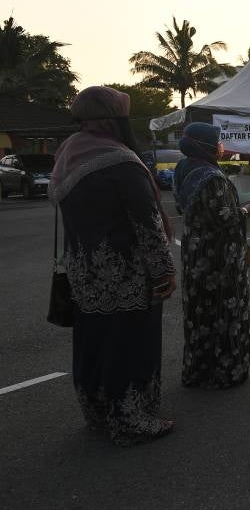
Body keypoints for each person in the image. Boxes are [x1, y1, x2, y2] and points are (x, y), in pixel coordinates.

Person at [48, 86, 176, 446]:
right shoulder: (119, 161)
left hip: (84, 271)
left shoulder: (68, 153)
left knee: (94, 340)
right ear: (113, 118)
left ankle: (99, 413)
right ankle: (131, 420)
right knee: (131, 341)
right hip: (127, 272)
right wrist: (165, 270)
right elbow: (147, 222)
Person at [173, 123, 250, 388]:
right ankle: (224, 371)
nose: (221, 146)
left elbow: (184, 206)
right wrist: (246, 211)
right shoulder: (212, 176)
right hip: (220, 257)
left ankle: (198, 370)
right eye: (218, 142)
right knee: (223, 311)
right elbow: (224, 216)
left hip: (195, 251)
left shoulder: (183, 168)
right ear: (206, 145)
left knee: (200, 312)